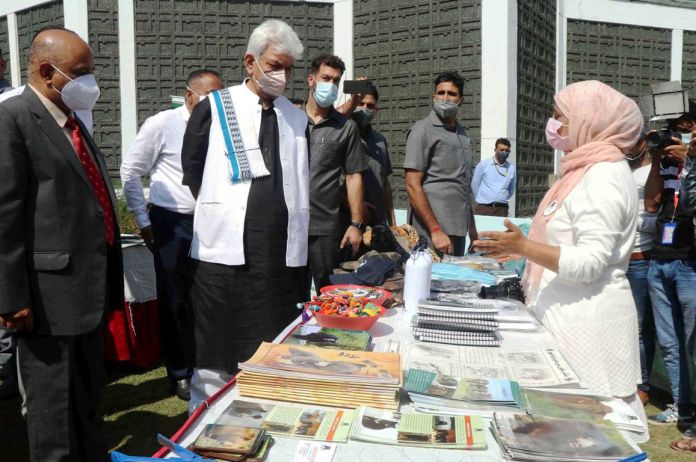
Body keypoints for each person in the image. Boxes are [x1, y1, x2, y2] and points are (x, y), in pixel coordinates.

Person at [473, 81, 647, 427]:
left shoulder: (603, 176)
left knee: (586, 430)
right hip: (567, 321)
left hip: (588, 330)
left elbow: (589, 262)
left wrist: (524, 247)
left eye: (559, 117)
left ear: (588, 119)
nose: (552, 125)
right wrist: (524, 252)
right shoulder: (583, 170)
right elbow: (566, 240)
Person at [0, 27, 123, 461]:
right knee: (52, 413)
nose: (91, 82)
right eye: (81, 72)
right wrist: (11, 297)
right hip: (45, 300)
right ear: (48, 72)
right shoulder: (12, 118)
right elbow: (4, 215)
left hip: (86, 291)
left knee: (86, 403)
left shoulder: (71, 121)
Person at [181, 19, 309, 411]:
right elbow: (193, 168)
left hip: (279, 258)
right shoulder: (217, 107)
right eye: (274, 66)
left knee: (273, 341)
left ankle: (265, 414)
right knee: (217, 342)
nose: (282, 75)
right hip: (224, 253)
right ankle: (206, 421)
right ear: (250, 62)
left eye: (288, 68)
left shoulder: (296, 117)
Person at [120, 69, 223, 401]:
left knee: (210, 296)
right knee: (175, 299)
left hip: (213, 220)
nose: (215, 104)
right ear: (189, 95)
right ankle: (179, 371)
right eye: (208, 96)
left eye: (220, 96)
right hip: (172, 222)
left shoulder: (224, 127)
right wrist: (143, 219)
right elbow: (131, 171)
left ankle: (208, 362)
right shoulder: (162, 124)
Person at [643, 107, 696, 427]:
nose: (679, 137)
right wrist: (655, 159)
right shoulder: (665, 163)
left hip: (690, 262)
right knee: (670, 342)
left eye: (687, 131)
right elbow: (651, 204)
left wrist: (690, 159)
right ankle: (681, 405)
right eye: (676, 130)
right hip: (660, 259)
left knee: (692, 343)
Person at [305, 54, 368, 290]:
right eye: (326, 78)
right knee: (289, 296)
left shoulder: (346, 128)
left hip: (325, 228)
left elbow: (354, 176)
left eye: (336, 81)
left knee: (328, 292)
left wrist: (356, 224)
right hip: (288, 226)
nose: (330, 85)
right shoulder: (290, 120)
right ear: (311, 80)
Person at [405, 71, 478, 256]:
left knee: (456, 275)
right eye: (441, 93)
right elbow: (412, 185)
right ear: (434, 97)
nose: (445, 98)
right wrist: (435, 229)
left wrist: (472, 229)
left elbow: (463, 185)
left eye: (451, 94)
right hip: (431, 233)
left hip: (457, 231)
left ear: (460, 100)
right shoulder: (422, 130)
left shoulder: (461, 134)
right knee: (430, 275)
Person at [625, 127, 657, 407]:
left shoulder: (653, 173)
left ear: (646, 142)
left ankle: (641, 386)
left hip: (640, 260)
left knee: (638, 329)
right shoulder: (622, 171)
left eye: (633, 140)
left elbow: (659, 220)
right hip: (618, 261)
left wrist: (625, 220)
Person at [340, 83, 396, 227]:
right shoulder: (340, 136)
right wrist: (355, 204)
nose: (365, 108)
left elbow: (385, 183)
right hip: (347, 222)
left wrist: (393, 223)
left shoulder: (380, 141)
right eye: (361, 104)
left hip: (378, 222)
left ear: (376, 110)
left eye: (370, 106)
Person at [472, 137, 516, 216]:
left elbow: (511, 189)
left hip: (502, 209)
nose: (504, 152)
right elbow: (475, 184)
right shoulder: (483, 165)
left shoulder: (511, 168)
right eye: (501, 150)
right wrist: (482, 199)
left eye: (507, 150)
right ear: (495, 150)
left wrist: (501, 197)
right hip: (484, 208)